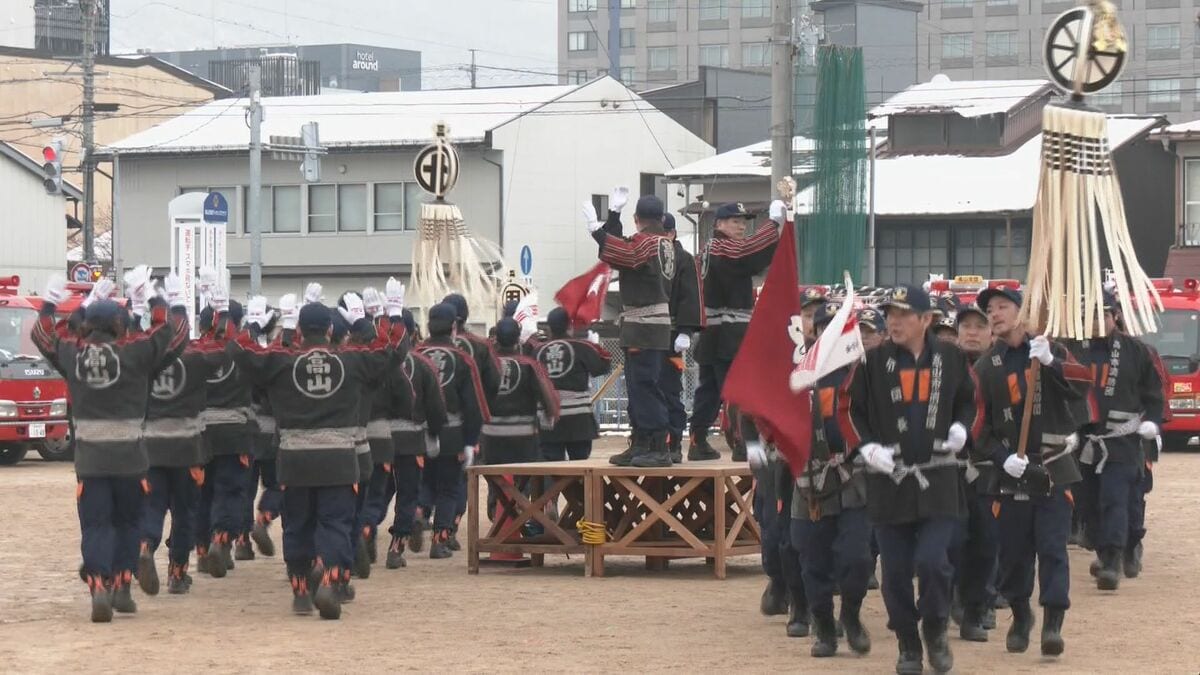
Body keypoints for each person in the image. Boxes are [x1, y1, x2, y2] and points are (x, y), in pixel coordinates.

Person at [839, 284, 981, 675]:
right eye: (891, 314)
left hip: (938, 478)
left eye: (904, 314)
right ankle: (907, 643)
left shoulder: (951, 358)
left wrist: (962, 428)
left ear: (926, 320)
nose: (895, 321)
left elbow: (973, 400)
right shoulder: (872, 362)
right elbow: (849, 408)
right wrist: (866, 447)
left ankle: (935, 630)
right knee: (896, 572)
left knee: (934, 561)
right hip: (891, 480)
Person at [32, 270, 188, 623]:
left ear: (88, 327)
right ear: (121, 325)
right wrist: (154, 298)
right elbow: (173, 335)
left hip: (89, 459)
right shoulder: (136, 353)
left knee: (97, 525)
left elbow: (44, 335)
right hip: (131, 458)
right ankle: (122, 585)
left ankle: (99, 585)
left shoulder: (74, 354)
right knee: (129, 522)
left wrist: (56, 304)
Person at [234, 292, 401, 620]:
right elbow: (393, 351)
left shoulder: (282, 363)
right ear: (329, 329)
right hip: (339, 458)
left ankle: (299, 590)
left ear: (298, 330)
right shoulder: (352, 361)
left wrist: (252, 325)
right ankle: (328, 575)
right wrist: (382, 315)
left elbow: (241, 352)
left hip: (294, 459)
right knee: (335, 522)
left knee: (297, 524)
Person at [972, 285, 1091, 657]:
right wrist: (999, 456)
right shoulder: (984, 366)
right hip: (1010, 472)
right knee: (1013, 554)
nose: (994, 314)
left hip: (1053, 467)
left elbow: (1082, 386)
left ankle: (1053, 622)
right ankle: (1021, 615)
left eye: (1002, 306)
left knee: (1053, 548)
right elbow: (979, 426)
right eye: (990, 309)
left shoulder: (1048, 350)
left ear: (1022, 312)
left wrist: (1053, 364)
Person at [1068, 291, 1164, 592]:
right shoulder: (1071, 350)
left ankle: (1113, 559)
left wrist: (1152, 422)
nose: (1096, 321)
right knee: (1087, 502)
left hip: (1122, 440)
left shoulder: (1137, 351)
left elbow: (1154, 392)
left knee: (1117, 498)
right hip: (1084, 441)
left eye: (1102, 315)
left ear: (1115, 316)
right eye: (1090, 316)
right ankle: (1105, 549)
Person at [792, 301, 872, 658]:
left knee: (856, 557)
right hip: (808, 475)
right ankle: (823, 626)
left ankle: (851, 616)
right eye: (825, 328)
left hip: (856, 474)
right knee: (812, 559)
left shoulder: (866, 374)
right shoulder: (797, 374)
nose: (831, 336)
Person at [137, 290, 225, 597]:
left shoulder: (142, 358)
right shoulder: (197, 358)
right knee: (185, 513)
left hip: (150, 447)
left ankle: (146, 546)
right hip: (187, 448)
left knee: (152, 506)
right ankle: (177, 573)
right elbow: (224, 351)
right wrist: (218, 314)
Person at [585, 191, 675, 467]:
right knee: (639, 386)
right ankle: (641, 441)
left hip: (643, 325)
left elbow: (622, 253)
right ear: (661, 218)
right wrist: (612, 218)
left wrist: (597, 231)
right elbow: (622, 251)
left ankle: (657, 443)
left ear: (637, 220)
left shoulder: (646, 243)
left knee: (644, 385)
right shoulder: (664, 242)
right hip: (651, 325)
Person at [688, 202, 782, 461]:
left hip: (713, 331)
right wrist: (773, 224)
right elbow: (749, 252)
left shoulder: (709, 249)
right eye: (734, 221)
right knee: (737, 389)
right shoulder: (722, 247)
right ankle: (742, 443)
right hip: (728, 333)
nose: (741, 226)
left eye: (743, 221)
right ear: (718, 224)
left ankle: (698, 439)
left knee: (709, 390)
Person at [417, 303, 486, 559]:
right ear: (454, 327)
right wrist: (470, 440)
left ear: (428, 325)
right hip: (452, 432)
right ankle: (440, 539)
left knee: (424, 480)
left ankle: (418, 513)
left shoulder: (416, 354)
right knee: (448, 487)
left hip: (419, 432)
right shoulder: (462, 359)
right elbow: (473, 402)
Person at [948, 299, 999, 641]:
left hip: (988, 468)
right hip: (946, 470)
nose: (972, 332)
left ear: (992, 333)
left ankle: (977, 606)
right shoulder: (943, 366)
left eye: (979, 326)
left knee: (986, 542)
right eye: (965, 326)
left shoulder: (1000, 366)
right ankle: (954, 597)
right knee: (950, 541)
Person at [195, 289, 253, 578]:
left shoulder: (193, 351)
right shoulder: (243, 351)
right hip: (234, 431)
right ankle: (222, 539)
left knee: (202, 493)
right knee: (230, 491)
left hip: (199, 433)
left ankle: (202, 550)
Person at [385, 310, 447, 569]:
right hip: (411, 439)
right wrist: (434, 432)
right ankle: (396, 547)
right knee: (408, 494)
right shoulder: (422, 364)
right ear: (412, 334)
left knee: (376, 494)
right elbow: (435, 407)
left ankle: (363, 532)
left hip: (377, 440)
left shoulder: (371, 361)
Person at [441, 292, 500, 552]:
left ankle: (420, 513)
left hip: (432, 423)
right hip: (469, 420)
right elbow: (495, 381)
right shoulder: (480, 345)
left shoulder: (424, 348)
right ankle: (449, 528)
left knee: (430, 478)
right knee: (461, 479)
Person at [536, 307, 612, 462]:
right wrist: (594, 346)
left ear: (549, 328)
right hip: (579, 420)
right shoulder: (582, 347)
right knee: (580, 470)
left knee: (551, 470)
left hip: (548, 421)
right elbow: (603, 367)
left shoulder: (537, 351)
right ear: (569, 326)